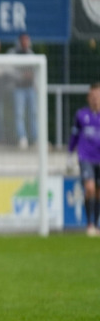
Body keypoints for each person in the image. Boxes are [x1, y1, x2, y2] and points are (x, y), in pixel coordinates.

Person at [68, 83, 100, 236]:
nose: (95, 100)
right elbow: (74, 136)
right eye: (92, 97)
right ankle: (90, 224)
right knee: (90, 189)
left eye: (98, 96)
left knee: (98, 192)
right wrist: (69, 155)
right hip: (86, 157)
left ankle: (96, 224)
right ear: (88, 98)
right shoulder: (81, 115)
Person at [7, 32, 37, 150]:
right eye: (23, 40)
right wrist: (21, 76)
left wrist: (34, 81)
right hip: (18, 88)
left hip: (30, 89)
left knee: (33, 114)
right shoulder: (13, 54)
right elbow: (8, 70)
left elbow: (36, 70)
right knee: (19, 114)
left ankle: (35, 139)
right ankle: (22, 138)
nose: (25, 42)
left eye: (27, 40)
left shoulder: (31, 54)